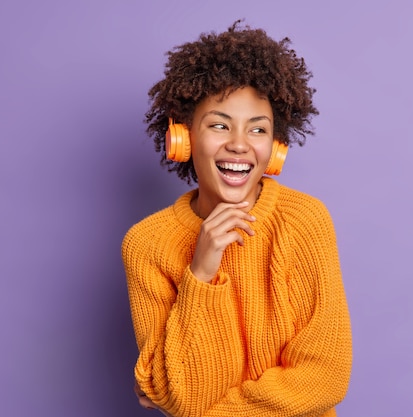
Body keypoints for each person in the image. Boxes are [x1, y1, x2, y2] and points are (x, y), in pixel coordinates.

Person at [122, 20, 352, 417]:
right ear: (183, 138)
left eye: (257, 129)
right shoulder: (146, 244)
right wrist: (201, 273)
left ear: (275, 147)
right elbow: (187, 393)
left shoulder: (304, 221)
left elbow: (325, 374)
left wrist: (185, 403)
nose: (239, 144)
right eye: (219, 125)